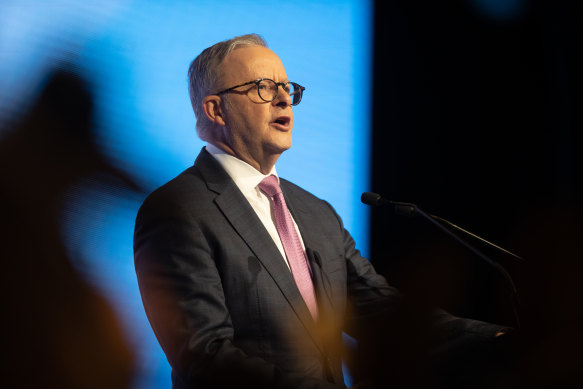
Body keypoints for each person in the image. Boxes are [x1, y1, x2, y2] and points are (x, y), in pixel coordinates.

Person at [133, 34, 508, 389]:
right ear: (216, 109)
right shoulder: (178, 209)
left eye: (287, 88)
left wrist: (495, 337)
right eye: (263, 87)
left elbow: (381, 312)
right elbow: (205, 357)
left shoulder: (316, 213)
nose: (283, 99)